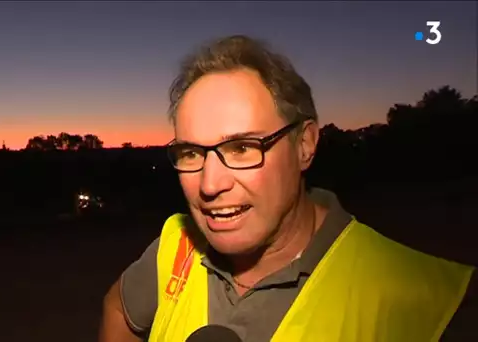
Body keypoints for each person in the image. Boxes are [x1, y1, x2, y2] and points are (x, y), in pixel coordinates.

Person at [98, 35, 476, 342]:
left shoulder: (426, 303)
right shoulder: (174, 247)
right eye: (192, 152)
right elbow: (118, 308)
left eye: (243, 147)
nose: (210, 185)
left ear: (305, 145)